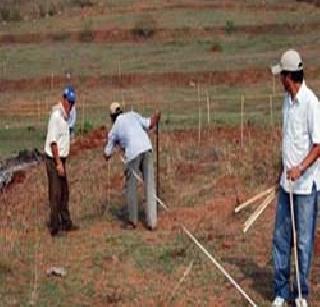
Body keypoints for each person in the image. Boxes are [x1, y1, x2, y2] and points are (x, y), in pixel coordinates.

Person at [271, 49, 320, 307]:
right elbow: (287, 141)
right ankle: (281, 291)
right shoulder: (286, 102)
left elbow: (318, 146)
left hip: (305, 187)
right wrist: (281, 171)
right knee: (280, 238)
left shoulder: (312, 104)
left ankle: (300, 294)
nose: (279, 80)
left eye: (281, 75)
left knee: (303, 243)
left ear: (289, 76)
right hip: (285, 184)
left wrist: (300, 168)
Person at [104, 102, 161, 230]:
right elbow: (150, 123)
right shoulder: (133, 115)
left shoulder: (115, 127)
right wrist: (156, 117)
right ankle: (152, 223)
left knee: (131, 188)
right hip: (147, 148)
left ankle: (132, 221)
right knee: (150, 186)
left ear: (112, 116)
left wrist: (108, 153)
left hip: (133, 154)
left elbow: (107, 151)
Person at [44, 86, 79, 236]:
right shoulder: (56, 116)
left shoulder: (67, 116)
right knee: (56, 193)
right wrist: (58, 163)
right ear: (63, 99)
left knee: (65, 192)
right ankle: (54, 227)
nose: (70, 105)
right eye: (69, 101)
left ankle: (66, 222)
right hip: (53, 159)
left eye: (72, 102)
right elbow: (53, 143)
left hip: (61, 159)